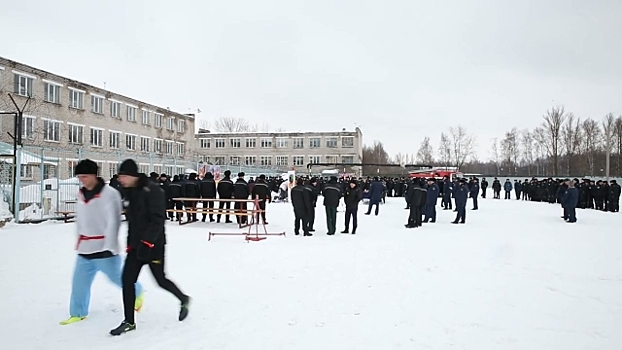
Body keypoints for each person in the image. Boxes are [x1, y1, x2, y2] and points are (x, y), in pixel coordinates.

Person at [110, 159, 190, 336]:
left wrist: (147, 243)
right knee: (127, 281)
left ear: (132, 175)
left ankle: (183, 299)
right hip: (135, 247)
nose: (120, 179)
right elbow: (133, 222)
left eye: (123, 176)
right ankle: (129, 321)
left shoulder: (153, 190)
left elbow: (157, 220)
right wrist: (131, 245)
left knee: (160, 280)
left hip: (153, 245)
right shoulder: (129, 191)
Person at [60, 160, 144, 326]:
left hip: (104, 248)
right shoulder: (82, 193)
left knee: (118, 278)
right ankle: (78, 312)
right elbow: (82, 219)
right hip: (85, 247)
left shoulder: (109, 193)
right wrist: (79, 239)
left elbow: (114, 221)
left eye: (84, 176)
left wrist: (110, 246)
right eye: (79, 176)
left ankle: (137, 292)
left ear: (94, 175)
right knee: (79, 284)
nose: (81, 179)